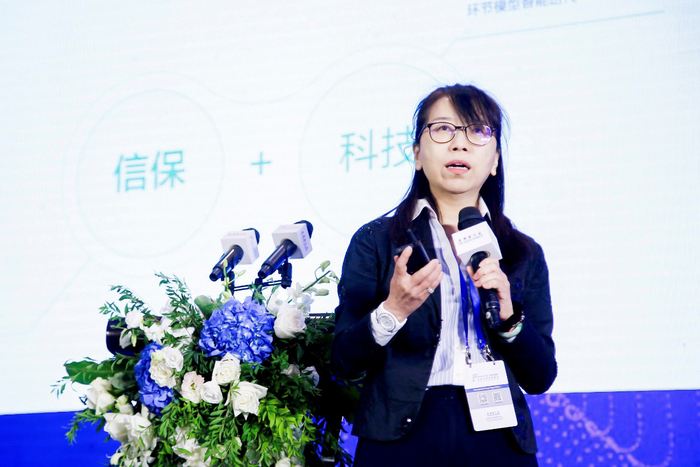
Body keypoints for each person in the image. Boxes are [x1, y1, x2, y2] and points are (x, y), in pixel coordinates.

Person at [331, 84, 557, 466]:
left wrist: (509, 318)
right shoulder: (377, 241)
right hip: (402, 437)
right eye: (443, 129)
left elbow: (540, 376)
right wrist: (393, 310)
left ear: (495, 160)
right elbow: (343, 362)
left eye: (478, 131)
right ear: (418, 154)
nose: (459, 144)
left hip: (498, 437)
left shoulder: (523, 253)